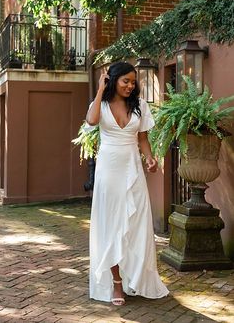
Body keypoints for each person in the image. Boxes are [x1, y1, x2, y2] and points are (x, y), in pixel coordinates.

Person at [86, 61, 169, 305]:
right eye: (126, 81)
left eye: (133, 82)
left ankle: (136, 276)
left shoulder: (140, 105)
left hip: (132, 169)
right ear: (112, 80)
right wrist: (101, 89)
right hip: (108, 171)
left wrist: (150, 158)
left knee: (136, 223)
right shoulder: (100, 104)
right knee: (110, 225)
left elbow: (142, 138)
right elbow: (91, 121)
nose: (131, 86)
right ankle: (117, 284)